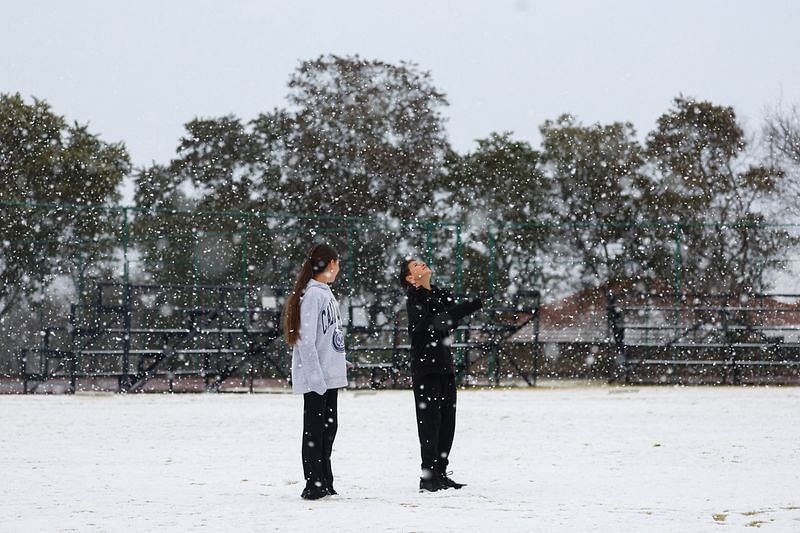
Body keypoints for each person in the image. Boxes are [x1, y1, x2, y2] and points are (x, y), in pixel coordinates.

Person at [399, 258, 483, 492]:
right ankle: (429, 476)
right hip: (426, 369)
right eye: (415, 265)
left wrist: (463, 308)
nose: (422, 265)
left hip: (445, 366)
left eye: (422, 262)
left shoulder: (439, 294)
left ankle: (441, 472)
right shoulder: (414, 298)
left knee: (447, 422)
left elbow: (448, 322)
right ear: (409, 278)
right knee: (430, 423)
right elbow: (436, 322)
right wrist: (466, 308)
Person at [283, 243, 348, 500]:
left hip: (328, 376)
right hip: (317, 379)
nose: (339, 268)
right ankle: (314, 483)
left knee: (328, 429)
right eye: (338, 263)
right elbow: (305, 339)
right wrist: (315, 378)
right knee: (315, 431)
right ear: (331, 264)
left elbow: (327, 335)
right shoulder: (312, 295)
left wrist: (339, 360)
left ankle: (325, 479)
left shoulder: (325, 293)